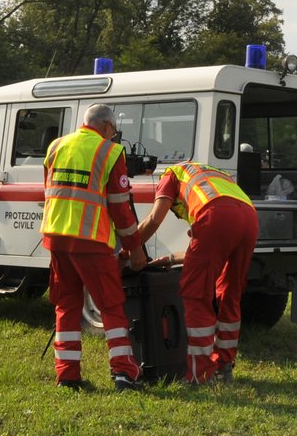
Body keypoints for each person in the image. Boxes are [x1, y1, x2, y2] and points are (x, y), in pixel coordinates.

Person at [42, 103, 149, 391]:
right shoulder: (110, 152)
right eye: (113, 130)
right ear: (105, 126)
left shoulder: (56, 146)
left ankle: (67, 375)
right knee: (111, 306)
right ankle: (124, 373)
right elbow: (120, 209)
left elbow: (50, 191)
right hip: (90, 238)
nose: (114, 135)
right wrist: (135, 247)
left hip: (56, 236)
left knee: (67, 305)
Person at [137, 161, 259, 384]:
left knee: (196, 293)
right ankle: (224, 366)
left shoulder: (169, 176)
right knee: (230, 292)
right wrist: (172, 258)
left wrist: (129, 250)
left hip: (216, 215)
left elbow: (154, 219)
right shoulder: (209, 176)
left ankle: (199, 374)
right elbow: (212, 242)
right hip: (249, 217)